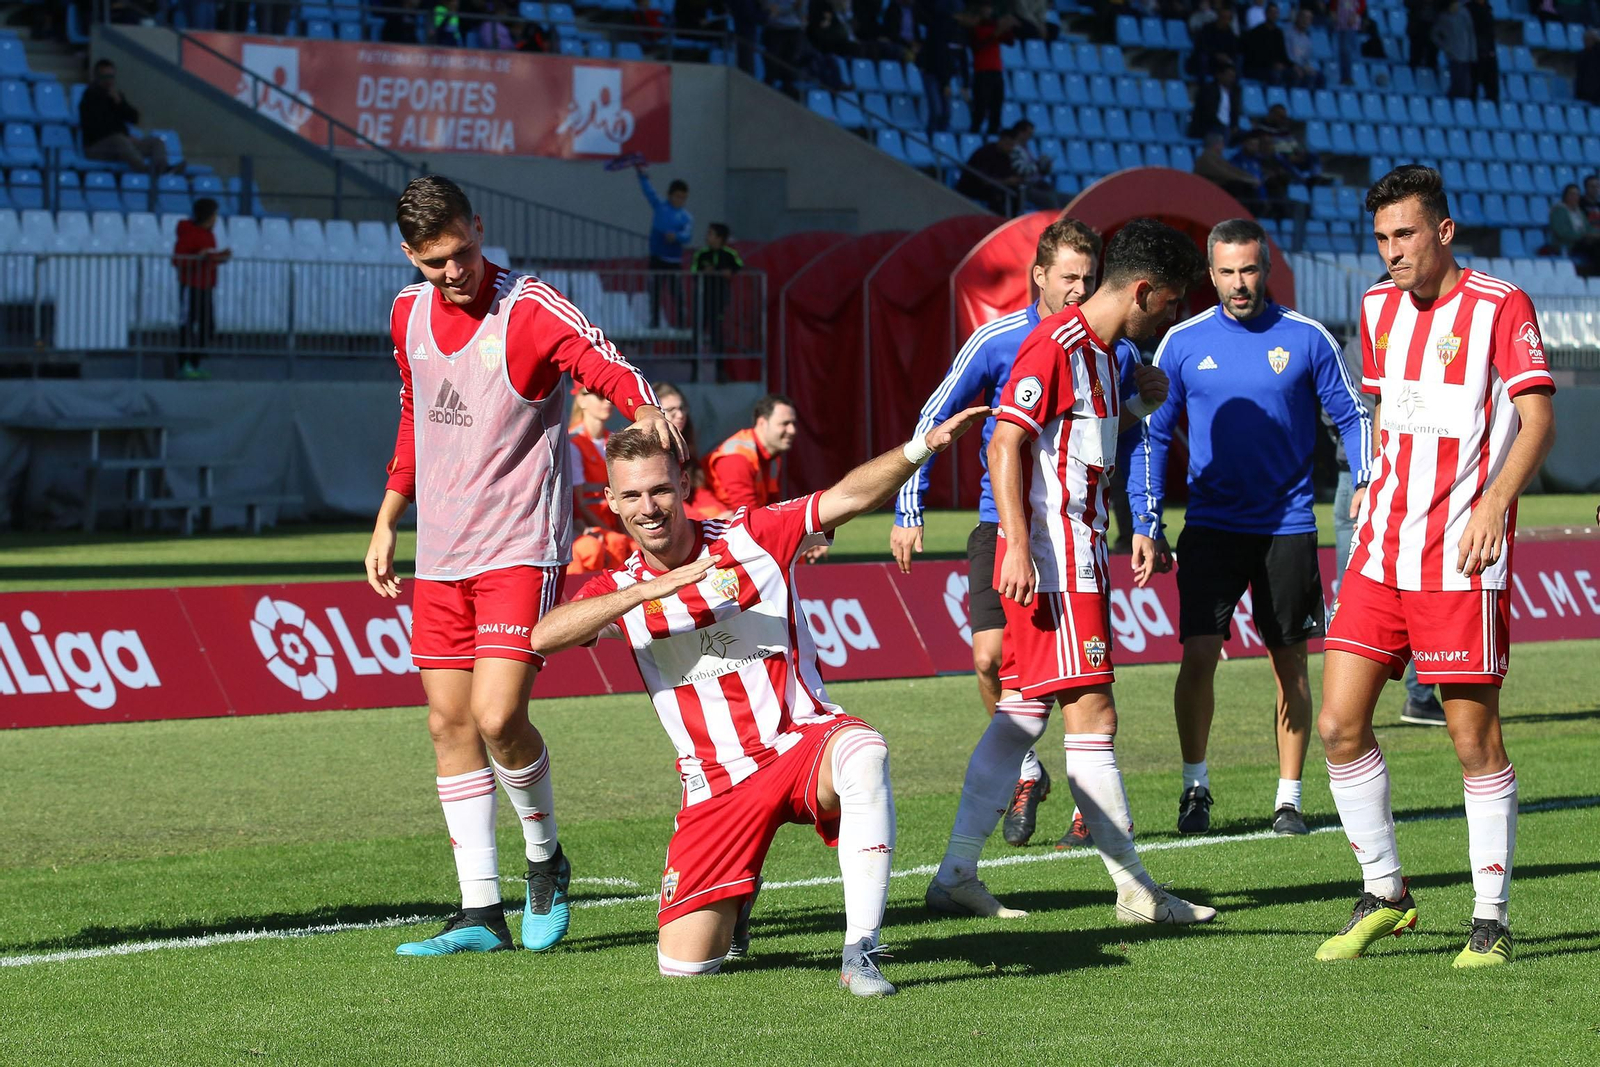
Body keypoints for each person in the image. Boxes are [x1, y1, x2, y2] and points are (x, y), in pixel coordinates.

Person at [528, 405, 992, 993]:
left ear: (685, 486)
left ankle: (861, 951)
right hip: (716, 783)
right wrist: (650, 589)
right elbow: (543, 635)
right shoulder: (619, 588)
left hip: (799, 742)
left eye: (661, 490)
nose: (649, 508)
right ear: (614, 503)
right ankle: (739, 893)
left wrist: (919, 447)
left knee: (864, 753)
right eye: (634, 496)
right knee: (685, 968)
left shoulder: (752, 535)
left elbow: (847, 497)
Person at [365, 175, 679, 956]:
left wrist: (643, 406)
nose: (453, 272)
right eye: (434, 261)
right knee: (448, 724)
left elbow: (604, 362)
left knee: (497, 716)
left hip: (517, 547)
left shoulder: (529, 307)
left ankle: (545, 859)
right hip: (439, 555)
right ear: (409, 256)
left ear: (480, 226)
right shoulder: (407, 314)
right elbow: (414, 415)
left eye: (463, 252)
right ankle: (480, 911)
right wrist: (387, 520)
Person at [925, 218, 1218, 927]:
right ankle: (1135, 890)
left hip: (1078, 556)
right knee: (1095, 718)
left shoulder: (1105, 354)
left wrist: (1140, 400)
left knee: (1020, 716)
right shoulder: (1053, 346)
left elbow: (1080, 445)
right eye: (1170, 302)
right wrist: (1019, 546)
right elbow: (1004, 443)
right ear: (1143, 290)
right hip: (1056, 565)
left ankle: (957, 872)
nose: (1170, 316)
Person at [1315, 165, 1557, 968]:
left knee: (1471, 739)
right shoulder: (1378, 308)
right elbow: (1385, 406)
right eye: (1381, 238)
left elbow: (1537, 419)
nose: (1391, 252)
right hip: (1382, 549)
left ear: (1443, 232)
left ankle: (1490, 916)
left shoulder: (1500, 305)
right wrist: (1370, 484)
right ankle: (1386, 890)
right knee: (1338, 724)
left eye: (1405, 234)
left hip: (1459, 556)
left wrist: (1492, 505)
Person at [1126, 218, 1374, 837]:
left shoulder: (1308, 337)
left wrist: (1367, 484)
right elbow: (1151, 434)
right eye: (1228, 272)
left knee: (1290, 663)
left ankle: (1288, 797)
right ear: (1211, 274)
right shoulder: (1181, 342)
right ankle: (1194, 788)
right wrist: (1146, 521)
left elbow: (1352, 415)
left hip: (1288, 526)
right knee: (1199, 656)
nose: (1240, 284)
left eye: (1250, 270)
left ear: (1266, 268)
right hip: (1209, 526)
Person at [892, 219, 1104, 849]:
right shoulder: (997, 338)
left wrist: (1145, 520)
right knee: (989, 660)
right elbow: (937, 415)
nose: (1079, 289)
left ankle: (1089, 803)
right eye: (1069, 277)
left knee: (1075, 681)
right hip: (998, 524)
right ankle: (1026, 770)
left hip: (1073, 531)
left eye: (1089, 279)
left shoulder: (1105, 342)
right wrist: (909, 506)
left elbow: (1136, 428)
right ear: (1039, 275)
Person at [1335, 314, 1447, 728]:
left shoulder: (1434, 341)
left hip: (1418, 481)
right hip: (1362, 480)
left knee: (1419, 589)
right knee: (1355, 594)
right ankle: (1352, 702)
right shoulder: (1363, 339)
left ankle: (1419, 694)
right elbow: (1342, 410)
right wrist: (1369, 467)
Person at [569, 387, 636, 575]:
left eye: (608, 396)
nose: (607, 402)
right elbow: (579, 503)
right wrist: (613, 532)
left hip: (615, 518)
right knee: (615, 544)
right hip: (592, 523)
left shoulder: (613, 439)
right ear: (581, 401)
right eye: (599, 397)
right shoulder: (573, 442)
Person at [704, 393, 798, 511]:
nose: (792, 430)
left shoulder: (773, 457)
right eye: (785, 424)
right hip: (716, 524)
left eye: (794, 424)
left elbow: (772, 504)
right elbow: (747, 515)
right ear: (762, 423)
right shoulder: (737, 458)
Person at [171, 197, 230, 381]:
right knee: (187, 325)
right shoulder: (189, 233)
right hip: (191, 286)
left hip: (206, 286)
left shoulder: (209, 235)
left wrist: (219, 258)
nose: (216, 218)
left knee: (207, 327)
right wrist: (200, 257)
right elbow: (178, 260)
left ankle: (194, 364)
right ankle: (184, 366)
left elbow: (207, 258)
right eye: (214, 214)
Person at [79, 59, 169, 173]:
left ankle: (163, 170)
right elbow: (96, 128)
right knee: (119, 140)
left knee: (157, 142)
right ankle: (145, 171)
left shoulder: (116, 96)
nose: (109, 80)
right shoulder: (89, 97)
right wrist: (125, 138)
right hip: (97, 147)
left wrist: (120, 103)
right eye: (105, 76)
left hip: (123, 145)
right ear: (97, 77)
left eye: (111, 76)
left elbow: (134, 117)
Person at [654, 382, 727, 518]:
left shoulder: (685, 444)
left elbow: (696, 490)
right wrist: (706, 520)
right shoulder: (650, 452)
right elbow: (665, 501)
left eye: (682, 408)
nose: (680, 415)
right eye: (671, 410)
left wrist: (722, 513)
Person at [634, 164, 693, 328]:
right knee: (654, 292)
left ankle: (681, 323)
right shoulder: (660, 207)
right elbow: (649, 192)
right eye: (677, 196)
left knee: (677, 294)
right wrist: (642, 175)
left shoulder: (686, 217)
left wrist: (677, 237)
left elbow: (688, 236)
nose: (680, 200)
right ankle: (655, 322)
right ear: (670, 195)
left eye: (683, 197)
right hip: (657, 259)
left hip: (674, 261)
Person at [691, 222, 743, 354]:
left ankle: (719, 367)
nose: (707, 237)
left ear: (720, 238)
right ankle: (695, 367)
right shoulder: (702, 254)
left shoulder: (730, 254)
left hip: (719, 298)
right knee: (698, 330)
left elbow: (739, 267)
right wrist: (704, 272)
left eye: (710, 234)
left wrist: (727, 272)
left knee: (717, 330)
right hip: (703, 297)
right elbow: (693, 271)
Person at [968, 3, 1016, 137]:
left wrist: (1008, 27)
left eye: (989, 8)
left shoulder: (995, 25)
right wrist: (996, 33)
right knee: (980, 108)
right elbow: (977, 47)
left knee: (996, 108)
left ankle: (993, 135)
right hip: (982, 71)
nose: (987, 11)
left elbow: (1010, 41)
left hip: (996, 71)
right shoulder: (975, 28)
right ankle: (974, 134)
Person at [957, 126, 1022, 215]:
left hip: (996, 186)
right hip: (973, 187)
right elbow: (984, 180)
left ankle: (1013, 220)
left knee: (1016, 191)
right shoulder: (985, 153)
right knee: (996, 193)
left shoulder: (1007, 156)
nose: (1010, 148)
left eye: (1012, 145)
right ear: (1001, 140)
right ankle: (998, 222)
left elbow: (1010, 174)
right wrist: (1007, 181)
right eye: (1009, 144)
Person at [1548, 183, 1600, 274]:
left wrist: (1595, 234)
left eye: (1577, 194)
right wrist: (1584, 236)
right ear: (1565, 196)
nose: (1575, 197)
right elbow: (1562, 232)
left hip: (1583, 241)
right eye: (1572, 194)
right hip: (1568, 243)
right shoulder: (1558, 211)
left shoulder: (1579, 211)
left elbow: (1588, 228)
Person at [1432, 0, 1476, 100]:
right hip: (1454, 55)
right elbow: (1435, 35)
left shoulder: (1464, 14)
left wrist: (1472, 53)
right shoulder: (1444, 17)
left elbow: (1470, 33)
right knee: (1457, 83)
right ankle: (1451, 104)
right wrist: (1445, 46)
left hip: (1466, 55)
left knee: (1466, 86)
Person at [1188, 61, 1242, 141]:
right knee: (1222, 132)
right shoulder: (1208, 90)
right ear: (1219, 75)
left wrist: (1234, 127)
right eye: (1229, 76)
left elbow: (1235, 113)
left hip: (1227, 128)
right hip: (1210, 127)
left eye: (1233, 76)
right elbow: (1208, 114)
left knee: (1249, 137)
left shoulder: (1234, 93)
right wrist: (1223, 126)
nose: (1232, 79)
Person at [1241, 2, 1291, 84]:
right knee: (1275, 74)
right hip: (1258, 67)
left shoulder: (1279, 33)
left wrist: (1292, 66)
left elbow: (1283, 54)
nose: (1273, 15)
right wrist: (1272, 65)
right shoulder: (1256, 32)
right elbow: (1255, 56)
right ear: (1266, 14)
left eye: (1276, 13)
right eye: (1271, 12)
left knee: (1295, 73)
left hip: (1275, 67)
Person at [1468, 0, 1497, 101]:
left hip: (1488, 50)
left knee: (1491, 81)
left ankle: (1491, 105)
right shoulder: (1469, 9)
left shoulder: (1488, 8)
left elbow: (1490, 32)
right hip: (1475, 51)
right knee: (1474, 79)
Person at [1331, 0, 1364, 86]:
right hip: (1340, 22)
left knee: (1346, 49)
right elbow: (1333, 4)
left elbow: (1362, 5)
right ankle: (1343, 77)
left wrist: (1355, 15)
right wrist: (1333, 13)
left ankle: (1347, 76)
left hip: (1351, 23)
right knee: (1342, 50)